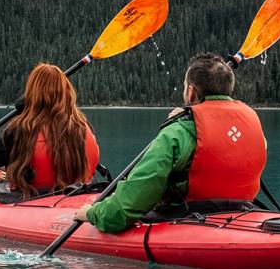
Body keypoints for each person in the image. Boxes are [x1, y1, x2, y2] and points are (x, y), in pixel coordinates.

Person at [72, 52, 266, 232]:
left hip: (188, 217)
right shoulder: (253, 125)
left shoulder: (177, 132)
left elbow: (132, 201)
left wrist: (94, 213)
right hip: (242, 212)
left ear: (191, 92)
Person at [0, 62, 101, 193]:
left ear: (31, 94)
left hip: (33, 198)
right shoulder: (83, 125)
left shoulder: (21, 129)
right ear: (66, 92)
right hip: (77, 194)